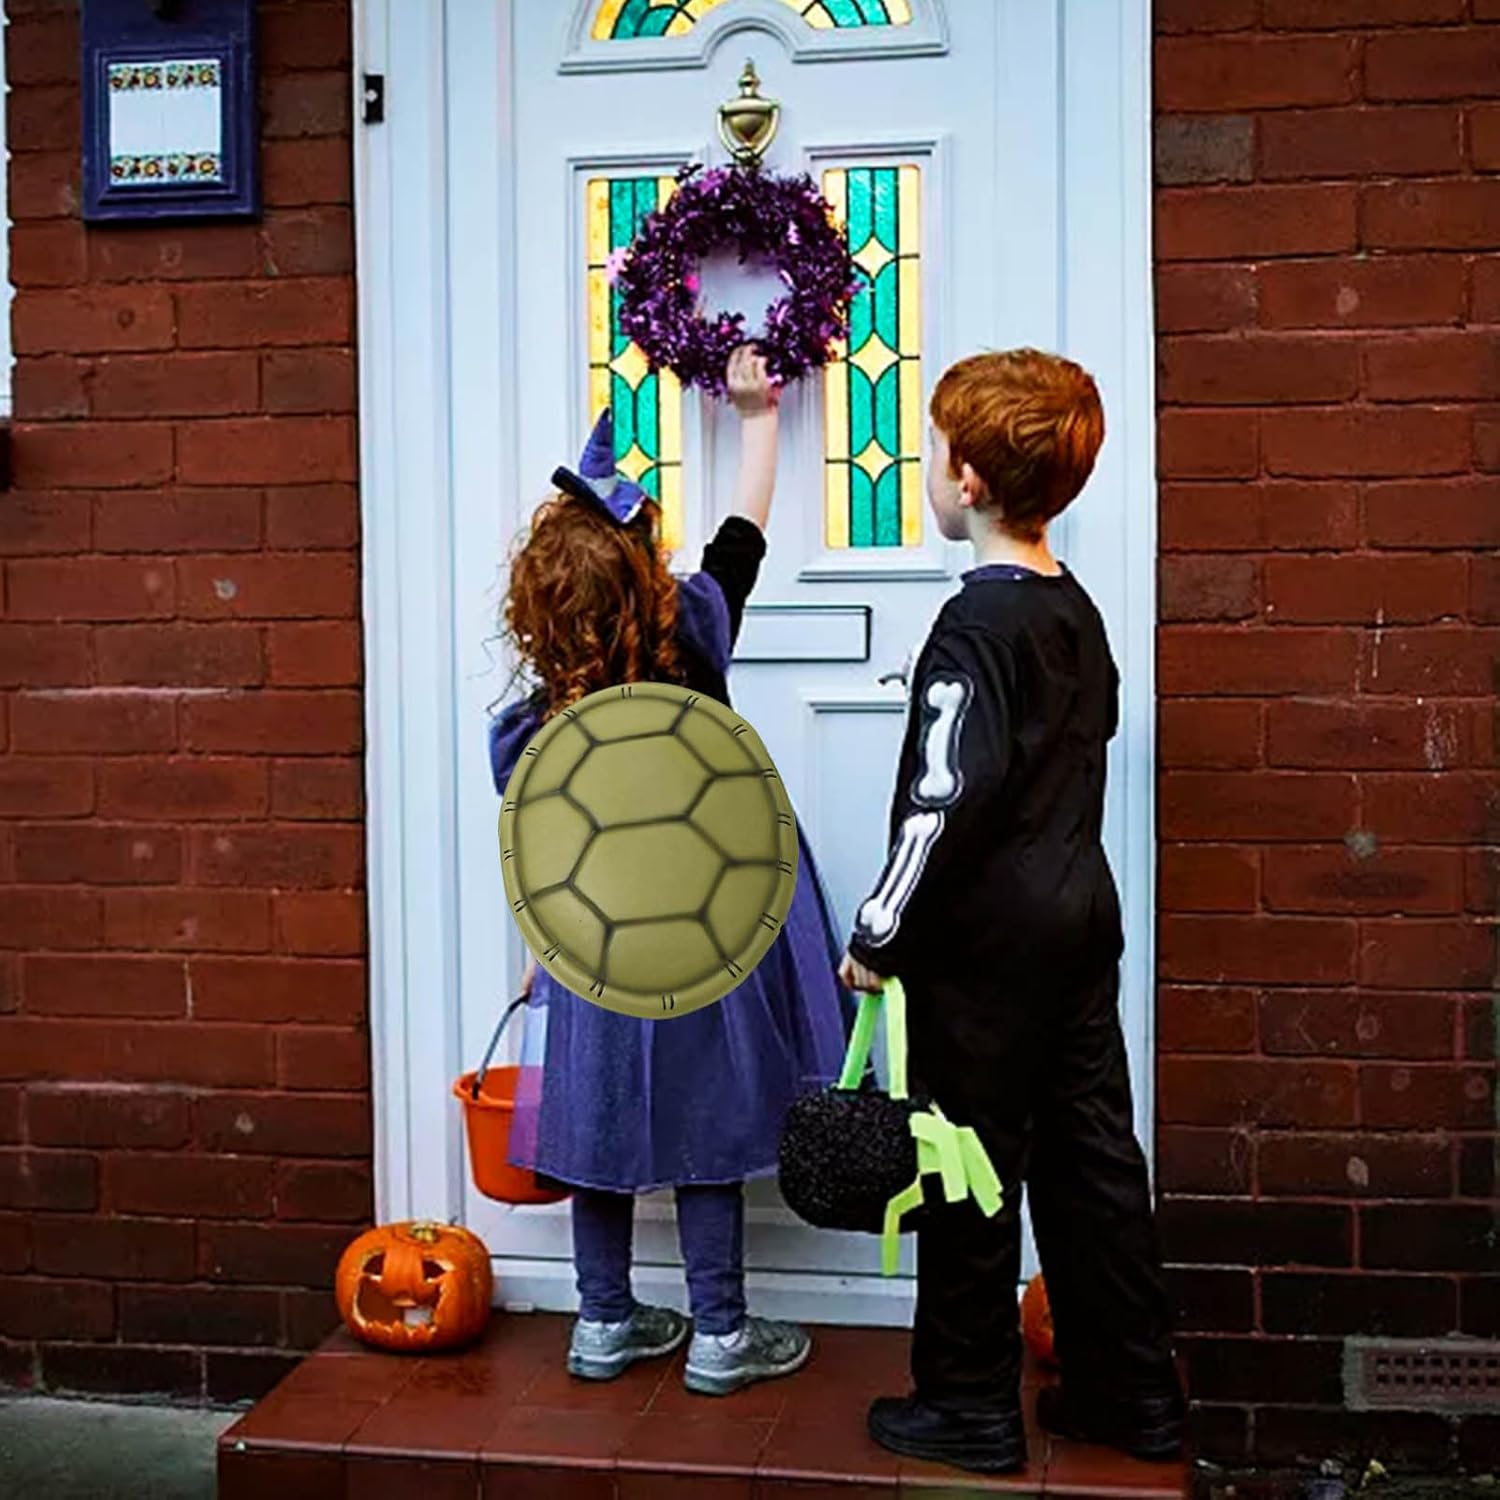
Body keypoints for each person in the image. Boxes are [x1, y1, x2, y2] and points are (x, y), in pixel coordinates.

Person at [837, 349, 1184, 1474]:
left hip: (984, 952)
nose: (928, 470)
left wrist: (880, 931)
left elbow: (945, 795)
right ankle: (1132, 1394)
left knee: (965, 1166)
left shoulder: (973, 629)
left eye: (934, 451)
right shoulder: (1074, 611)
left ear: (970, 481)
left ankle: (968, 1407)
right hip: (1078, 922)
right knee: (1090, 1160)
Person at [488, 345, 851, 1396]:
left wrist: (538, 954)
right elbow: (743, 537)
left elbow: (545, 860)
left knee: (593, 1119)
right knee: (708, 1120)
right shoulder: (692, 635)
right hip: (710, 940)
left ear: (538, 608)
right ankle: (721, 1336)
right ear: (646, 574)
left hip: (595, 953)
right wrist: (758, 421)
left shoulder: (532, 725)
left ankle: (601, 1322)